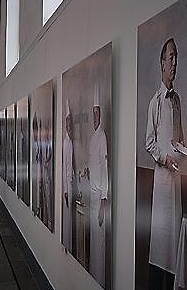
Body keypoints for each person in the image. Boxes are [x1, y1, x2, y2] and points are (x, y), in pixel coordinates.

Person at [145, 38, 185, 288]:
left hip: (177, 177)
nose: (174, 62)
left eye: (176, 57)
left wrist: (181, 150)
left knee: (175, 237)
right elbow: (149, 142)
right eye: (170, 57)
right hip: (162, 179)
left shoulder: (177, 99)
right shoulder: (156, 101)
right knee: (161, 238)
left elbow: (180, 136)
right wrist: (165, 157)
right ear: (161, 63)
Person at [88, 84, 109, 287]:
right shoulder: (93, 137)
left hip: (99, 198)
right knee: (93, 241)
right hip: (91, 196)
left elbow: (105, 169)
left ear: (101, 115)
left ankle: (99, 279)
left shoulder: (102, 136)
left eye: (97, 113)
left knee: (99, 243)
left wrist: (103, 202)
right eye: (93, 113)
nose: (95, 116)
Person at [62, 100, 74, 252]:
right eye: (68, 124)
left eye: (72, 124)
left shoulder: (71, 141)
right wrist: (65, 189)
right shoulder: (65, 142)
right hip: (67, 185)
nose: (70, 127)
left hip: (71, 183)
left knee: (71, 217)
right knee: (67, 216)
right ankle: (66, 244)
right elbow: (64, 167)